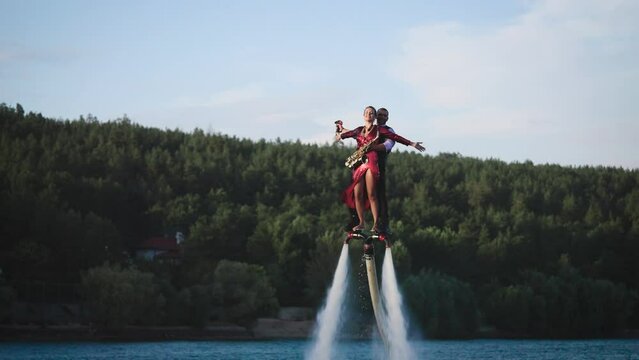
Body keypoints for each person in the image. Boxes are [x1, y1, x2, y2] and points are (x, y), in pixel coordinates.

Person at [336, 106, 425, 233]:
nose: (369, 114)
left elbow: (394, 138)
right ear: (363, 115)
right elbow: (347, 134)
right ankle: (361, 223)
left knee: (373, 194)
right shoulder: (359, 130)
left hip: (372, 162)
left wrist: (411, 143)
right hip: (358, 163)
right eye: (367, 112)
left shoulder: (381, 130)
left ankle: (377, 224)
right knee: (358, 194)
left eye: (371, 113)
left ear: (375, 116)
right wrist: (339, 133)